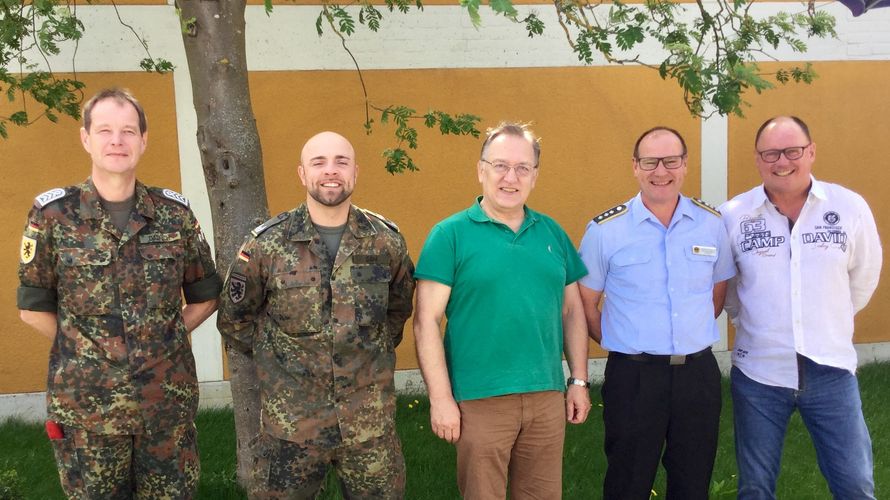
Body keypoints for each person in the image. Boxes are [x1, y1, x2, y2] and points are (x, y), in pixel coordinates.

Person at [16, 88, 221, 498]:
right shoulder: (52, 215)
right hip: (87, 407)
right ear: (86, 138)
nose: (117, 141)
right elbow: (33, 306)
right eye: (105, 130)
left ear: (143, 141)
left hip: (166, 401)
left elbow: (205, 294)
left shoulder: (174, 214)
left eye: (128, 131)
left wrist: (165, 338)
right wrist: (86, 350)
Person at [216, 131, 415, 498]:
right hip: (291, 428)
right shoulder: (267, 245)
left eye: (341, 161)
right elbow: (235, 319)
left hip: (368, 426)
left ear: (355, 171)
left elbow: (398, 310)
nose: (331, 171)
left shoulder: (385, 241)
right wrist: (279, 366)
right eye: (319, 162)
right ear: (302, 173)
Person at [413, 122, 591, 499]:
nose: (511, 177)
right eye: (500, 166)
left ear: (535, 176)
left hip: (546, 396)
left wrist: (577, 380)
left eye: (522, 168)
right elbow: (425, 320)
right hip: (480, 397)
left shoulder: (552, 233)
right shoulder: (450, 235)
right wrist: (441, 399)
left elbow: (573, 311)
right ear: (481, 170)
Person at [720, 116, 882, 499]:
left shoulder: (848, 207)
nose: (782, 161)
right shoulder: (734, 215)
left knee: (855, 484)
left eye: (793, 151)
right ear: (758, 159)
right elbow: (729, 290)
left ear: (811, 152)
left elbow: (864, 277)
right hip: (759, 373)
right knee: (755, 488)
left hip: (831, 370)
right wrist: (755, 324)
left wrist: (828, 319)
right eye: (771, 153)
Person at [577, 126, 736, 500]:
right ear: (635, 166)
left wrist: (683, 336)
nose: (660, 171)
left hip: (697, 376)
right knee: (627, 481)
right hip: (633, 377)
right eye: (650, 161)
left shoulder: (711, 224)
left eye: (671, 160)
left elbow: (717, 293)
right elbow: (585, 303)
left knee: (693, 480)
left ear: (684, 165)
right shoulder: (605, 231)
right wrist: (624, 341)